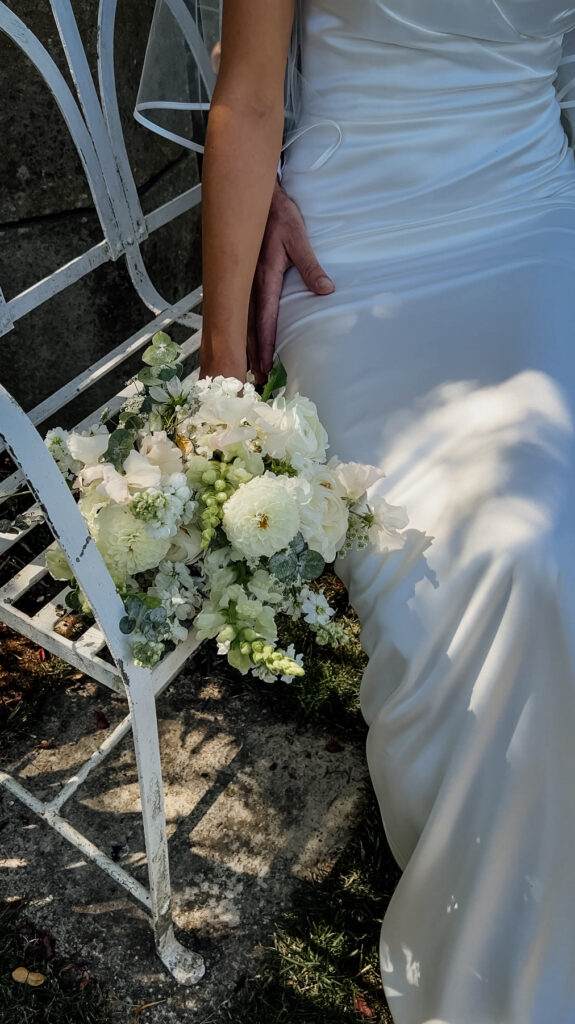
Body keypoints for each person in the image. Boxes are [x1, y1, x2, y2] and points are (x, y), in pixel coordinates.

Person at [140, 2, 575, 1021]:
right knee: (490, 557)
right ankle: (494, 961)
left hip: (530, 216)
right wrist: (225, 387)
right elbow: (246, 99)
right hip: (355, 249)